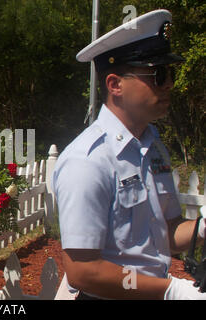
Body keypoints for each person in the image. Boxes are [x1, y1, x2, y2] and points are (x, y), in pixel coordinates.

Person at [52, 9, 206, 300]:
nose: (170, 83)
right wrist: (170, 290)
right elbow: (83, 271)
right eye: (158, 74)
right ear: (115, 85)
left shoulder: (152, 145)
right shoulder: (87, 161)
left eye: (169, 73)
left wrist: (201, 228)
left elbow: (169, 232)